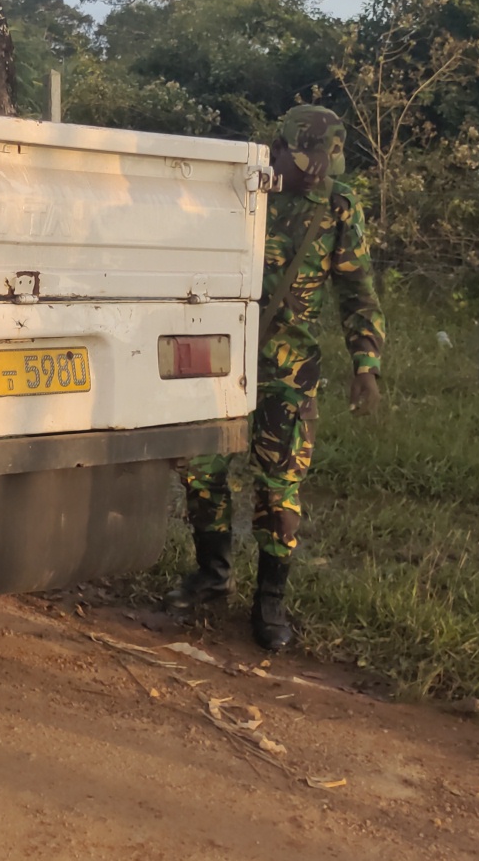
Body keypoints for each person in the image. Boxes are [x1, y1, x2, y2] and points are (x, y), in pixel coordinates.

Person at [166, 105, 385, 650]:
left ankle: (270, 603)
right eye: (305, 160)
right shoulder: (240, 189)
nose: (313, 171)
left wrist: (367, 365)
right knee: (201, 466)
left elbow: (357, 292)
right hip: (219, 356)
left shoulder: (336, 205)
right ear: (278, 147)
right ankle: (211, 576)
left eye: (324, 162)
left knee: (279, 483)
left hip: (289, 370)